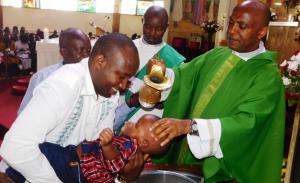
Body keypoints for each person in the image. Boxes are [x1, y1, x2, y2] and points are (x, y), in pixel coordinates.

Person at [149, 1, 285, 183]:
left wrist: (189, 126)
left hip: (224, 170)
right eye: (231, 23)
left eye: (241, 26)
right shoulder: (218, 55)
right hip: (187, 160)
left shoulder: (267, 76)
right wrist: (163, 74)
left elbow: (247, 123)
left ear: (261, 32)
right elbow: (185, 76)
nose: (232, 30)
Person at [0, 32, 142, 182]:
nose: (124, 86)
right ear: (100, 61)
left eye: (128, 78)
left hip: (70, 169)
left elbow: (96, 148)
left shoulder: (109, 93)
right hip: (27, 174)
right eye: (121, 76)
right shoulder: (64, 85)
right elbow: (16, 147)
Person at [5, 114, 167, 183]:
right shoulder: (137, 153)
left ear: (144, 143)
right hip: (77, 163)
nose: (132, 123)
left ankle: (11, 177)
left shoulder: (130, 146)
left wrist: (108, 145)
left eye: (137, 125)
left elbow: (115, 163)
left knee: (42, 150)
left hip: (76, 166)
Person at [114, 5, 185, 131]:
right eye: (148, 26)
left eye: (159, 29)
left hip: (151, 122)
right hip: (121, 112)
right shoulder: (126, 48)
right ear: (142, 22)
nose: (152, 33)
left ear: (166, 27)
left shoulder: (175, 60)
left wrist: (164, 102)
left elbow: (178, 97)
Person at [17, 27, 91, 114]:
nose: (87, 56)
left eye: (89, 51)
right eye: (81, 50)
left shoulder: (93, 77)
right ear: (63, 52)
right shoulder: (42, 77)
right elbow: (24, 113)